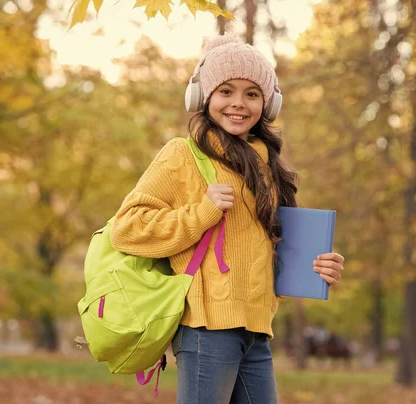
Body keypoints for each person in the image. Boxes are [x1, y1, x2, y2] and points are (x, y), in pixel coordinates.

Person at [110, 34, 345, 404]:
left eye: (252, 94)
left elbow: (260, 254)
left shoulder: (268, 167)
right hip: (206, 329)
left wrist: (317, 268)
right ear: (203, 96)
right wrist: (201, 213)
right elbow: (126, 230)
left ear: (268, 104)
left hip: (256, 330)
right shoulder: (181, 156)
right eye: (226, 91)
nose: (238, 103)